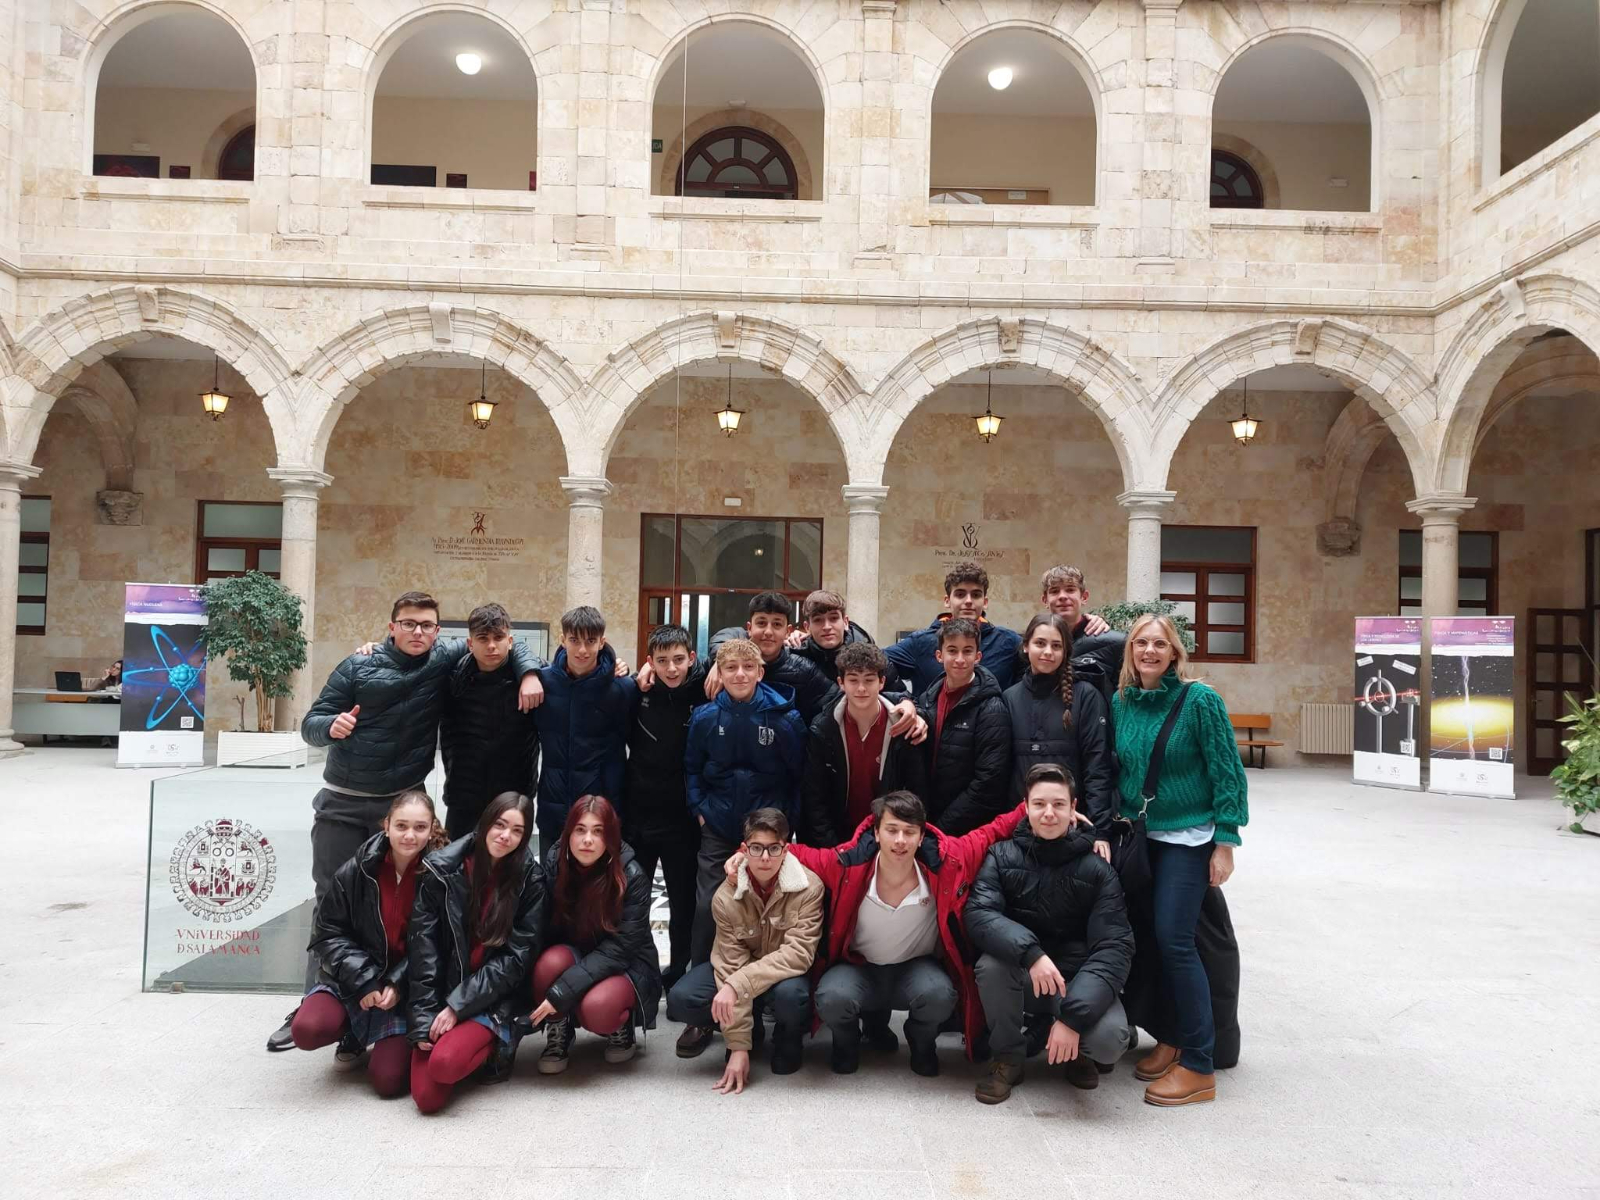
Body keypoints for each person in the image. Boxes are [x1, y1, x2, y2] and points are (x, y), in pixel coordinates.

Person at [268, 591, 540, 1052]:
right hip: (346, 801)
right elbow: (311, 723)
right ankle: (318, 998)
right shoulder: (358, 666)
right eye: (409, 623)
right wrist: (329, 727)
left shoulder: (444, 659)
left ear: (438, 632)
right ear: (391, 627)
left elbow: (501, 643)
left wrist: (530, 672)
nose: (418, 631)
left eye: (427, 625)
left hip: (405, 806)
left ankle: (398, 997)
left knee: (416, 903)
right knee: (331, 899)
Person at [780, 791, 1026, 1077]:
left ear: (921, 837)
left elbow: (992, 831)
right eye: (892, 830)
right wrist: (742, 854)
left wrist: (1036, 807)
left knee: (941, 996)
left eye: (909, 832)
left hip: (917, 968)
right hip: (858, 967)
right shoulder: (846, 863)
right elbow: (793, 852)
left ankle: (921, 1042)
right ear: (876, 833)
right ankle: (846, 1042)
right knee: (831, 997)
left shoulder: (949, 860)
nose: (900, 840)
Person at [1112, 612, 1248, 1107]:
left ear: (1174, 653)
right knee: (1149, 939)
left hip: (1188, 839)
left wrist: (1226, 841)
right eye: (1140, 643)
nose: (1149, 651)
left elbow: (1227, 771)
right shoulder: (1122, 701)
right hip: (1141, 838)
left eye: (1159, 644)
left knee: (1176, 941)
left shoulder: (1199, 700)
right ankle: (1170, 1036)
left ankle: (1199, 1064)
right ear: (1130, 651)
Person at [965, 764, 1135, 1104]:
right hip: (1025, 976)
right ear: (1025, 807)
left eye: (1058, 804)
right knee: (991, 966)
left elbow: (1114, 947)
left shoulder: (1098, 869)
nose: (1048, 813)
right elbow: (980, 915)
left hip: (1076, 980)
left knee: (1110, 1041)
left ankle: (1076, 1051)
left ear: (1073, 809)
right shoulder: (1001, 856)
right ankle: (1008, 1057)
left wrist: (1073, 1018)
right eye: (1039, 804)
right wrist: (1032, 955)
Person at [677, 637, 807, 1057]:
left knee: (769, 914)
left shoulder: (784, 718)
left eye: (747, 668)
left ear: (760, 672)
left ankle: (767, 1002)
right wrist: (700, 810)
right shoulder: (705, 717)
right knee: (706, 909)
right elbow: (692, 769)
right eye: (730, 667)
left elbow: (798, 776)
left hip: (767, 834)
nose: (739, 675)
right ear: (719, 672)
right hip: (718, 826)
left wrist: (787, 827)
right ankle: (702, 1016)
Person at [290, 790, 449, 1097]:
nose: (409, 835)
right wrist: (364, 980)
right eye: (401, 826)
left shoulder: (441, 876)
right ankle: (352, 1031)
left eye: (419, 827)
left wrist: (397, 983)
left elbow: (441, 945)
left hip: (407, 987)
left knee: (388, 1082)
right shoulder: (357, 869)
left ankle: (385, 1036)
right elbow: (327, 933)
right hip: (354, 980)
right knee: (307, 1030)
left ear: (432, 830)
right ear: (386, 825)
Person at [665, 808, 824, 1094]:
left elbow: (798, 955)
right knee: (682, 998)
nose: (765, 857)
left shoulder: (809, 888)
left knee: (793, 996)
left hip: (783, 975)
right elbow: (730, 964)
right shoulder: (726, 896)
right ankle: (751, 1032)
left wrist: (736, 985)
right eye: (757, 848)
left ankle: (788, 1036)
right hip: (740, 968)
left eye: (774, 848)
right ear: (744, 849)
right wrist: (738, 1046)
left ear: (786, 850)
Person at [407, 792, 547, 1114]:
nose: (505, 835)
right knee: (426, 1098)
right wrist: (425, 1016)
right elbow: (423, 949)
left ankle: (500, 1039)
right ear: (485, 823)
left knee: (444, 1065)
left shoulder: (531, 880)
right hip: (444, 990)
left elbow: (515, 961)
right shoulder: (443, 869)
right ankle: (461, 1043)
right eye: (500, 824)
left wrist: (458, 1006)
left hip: (493, 998)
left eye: (517, 831)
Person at [529, 795, 662, 1072]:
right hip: (575, 952)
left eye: (598, 831)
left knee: (597, 1008)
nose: (587, 840)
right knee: (547, 964)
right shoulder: (555, 862)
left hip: (625, 964)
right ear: (568, 833)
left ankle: (621, 1026)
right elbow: (541, 927)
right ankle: (560, 1029)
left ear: (610, 837)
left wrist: (562, 991)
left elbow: (622, 948)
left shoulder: (631, 874)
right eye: (580, 830)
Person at [622, 623, 706, 988]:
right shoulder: (636, 693)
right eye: (662, 661)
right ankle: (640, 971)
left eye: (678, 660)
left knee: (683, 904)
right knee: (633, 901)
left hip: (683, 821)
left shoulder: (705, 690)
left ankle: (677, 973)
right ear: (650, 662)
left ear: (692, 658)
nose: (671, 668)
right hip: (639, 816)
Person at [1002, 612, 1115, 847]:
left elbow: (1097, 766)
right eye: (1040, 643)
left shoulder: (1086, 697)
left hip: (1073, 829)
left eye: (1056, 646)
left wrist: (1100, 831)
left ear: (1066, 651)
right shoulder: (1009, 699)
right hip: (1019, 829)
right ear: (1026, 647)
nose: (1048, 652)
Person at [800, 641, 928, 848]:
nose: (861, 688)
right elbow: (815, 798)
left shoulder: (903, 725)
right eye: (853, 680)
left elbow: (917, 790)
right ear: (841, 683)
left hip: (890, 838)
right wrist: (834, 849)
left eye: (869, 680)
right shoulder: (823, 728)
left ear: (882, 682)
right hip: (839, 838)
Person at [531, 605, 634, 846]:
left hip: (602, 813)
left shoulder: (623, 688)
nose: (582, 650)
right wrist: (527, 674)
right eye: (574, 640)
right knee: (552, 871)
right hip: (553, 811)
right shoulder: (542, 684)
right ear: (562, 640)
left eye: (590, 641)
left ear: (602, 642)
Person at [439, 603, 540, 839]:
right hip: (463, 793)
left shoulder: (533, 679)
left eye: (498, 637)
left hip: (515, 796)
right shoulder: (452, 679)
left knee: (510, 860)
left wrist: (615, 666)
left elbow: (570, 673)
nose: (491, 645)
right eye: (483, 638)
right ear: (470, 643)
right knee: (458, 859)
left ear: (510, 641)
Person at [915, 618, 1011, 836]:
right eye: (952, 650)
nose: (960, 659)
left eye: (967, 651)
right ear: (939, 655)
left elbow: (989, 783)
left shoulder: (992, 708)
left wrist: (941, 828)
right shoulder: (926, 699)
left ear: (978, 657)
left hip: (965, 829)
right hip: (927, 820)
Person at [886, 562, 1023, 694]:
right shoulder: (920, 642)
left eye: (976, 595)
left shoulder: (1009, 642)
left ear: (985, 602)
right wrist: (903, 698)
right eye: (960, 594)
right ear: (947, 601)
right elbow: (878, 662)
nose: (968, 601)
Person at [784, 589, 903, 691]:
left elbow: (899, 694)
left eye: (833, 618)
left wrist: (905, 702)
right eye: (818, 620)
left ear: (845, 622)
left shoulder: (872, 655)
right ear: (807, 627)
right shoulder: (796, 656)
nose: (827, 627)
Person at [1039, 565, 1111, 639]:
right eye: (1055, 591)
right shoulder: (1035, 638)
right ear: (1045, 600)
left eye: (1070, 590)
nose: (1062, 596)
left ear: (1084, 597)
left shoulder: (1108, 640)